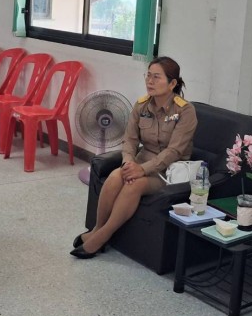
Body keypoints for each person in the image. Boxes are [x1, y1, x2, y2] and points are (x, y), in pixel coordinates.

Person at [71, 57, 197, 259]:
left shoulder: (185, 111)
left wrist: (142, 170)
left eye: (156, 77)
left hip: (168, 171)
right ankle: (97, 229)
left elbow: (174, 151)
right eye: (148, 76)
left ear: (172, 83)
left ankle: (102, 236)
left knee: (134, 185)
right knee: (115, 176)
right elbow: (129, 140)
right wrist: (128, 163)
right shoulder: (141, 106)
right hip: (140, 161)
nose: (150, 81)